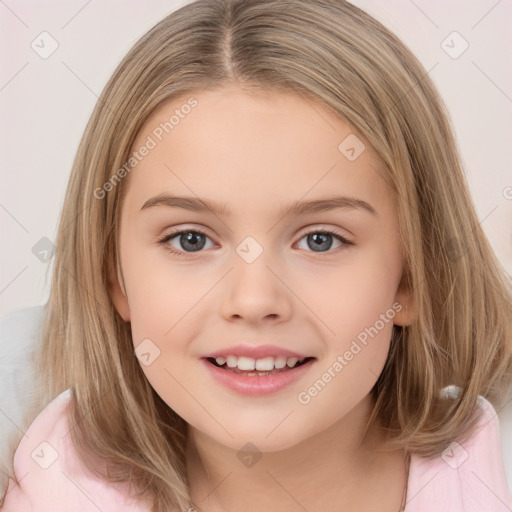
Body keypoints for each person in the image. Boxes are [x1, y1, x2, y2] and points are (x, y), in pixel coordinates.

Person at [1, 0, 511, 511]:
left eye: (320, 239)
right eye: (190, 240)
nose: (253, 299)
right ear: (114, 276)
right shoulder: (52, 483)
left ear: (413, 279)